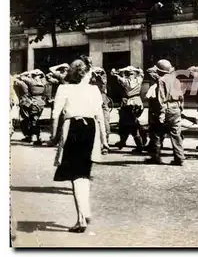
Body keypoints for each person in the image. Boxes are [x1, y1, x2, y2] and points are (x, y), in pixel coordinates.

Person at [52, 58, 109, 233]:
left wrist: (54, 136)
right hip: (90, 129)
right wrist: (104, 140)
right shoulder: (94, 90)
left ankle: (81, 219)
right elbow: (100, 116)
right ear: (86, 73)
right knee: (84, 174)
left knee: (76, 175)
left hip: (73, 128)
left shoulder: (64, 88)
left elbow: (55, 114)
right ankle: (86, 210)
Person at [146, 59, 185, 165]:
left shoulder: (161, 80)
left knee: (157, 133)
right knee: (176, 134)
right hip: (175, 108)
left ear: (159, 70)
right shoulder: (176, 80)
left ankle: (156, 157)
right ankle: (179, 158)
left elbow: (161, 98)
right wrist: (180, 108)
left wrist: (161, 114)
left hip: (166, 108)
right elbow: (181, 96)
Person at [111, 66, 145, 153]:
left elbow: (114, 74)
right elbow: (141, 72)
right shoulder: (139, 80)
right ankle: (125, 142)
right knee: (132, 122)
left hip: (128, 103)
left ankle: (138, 145)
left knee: (125, 123)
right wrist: (133, 69)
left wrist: (122, 69)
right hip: (138, 102)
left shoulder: (125, 81)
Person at [15, 69, 47, 145]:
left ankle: (34, 137)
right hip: (41, 103)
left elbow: (20, 77)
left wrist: (27, 74)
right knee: (35, 119)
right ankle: (37, 136)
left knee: (33, 120)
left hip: (34, 102)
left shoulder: (31, 82)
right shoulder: (43, 82)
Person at [90, 67, 112, 154]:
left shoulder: (101, 78)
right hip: (94, 99)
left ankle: (104, 144)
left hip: (101, 100)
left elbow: (103, 84)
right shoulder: (93, 78)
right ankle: (101, 144)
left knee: (104, 121)